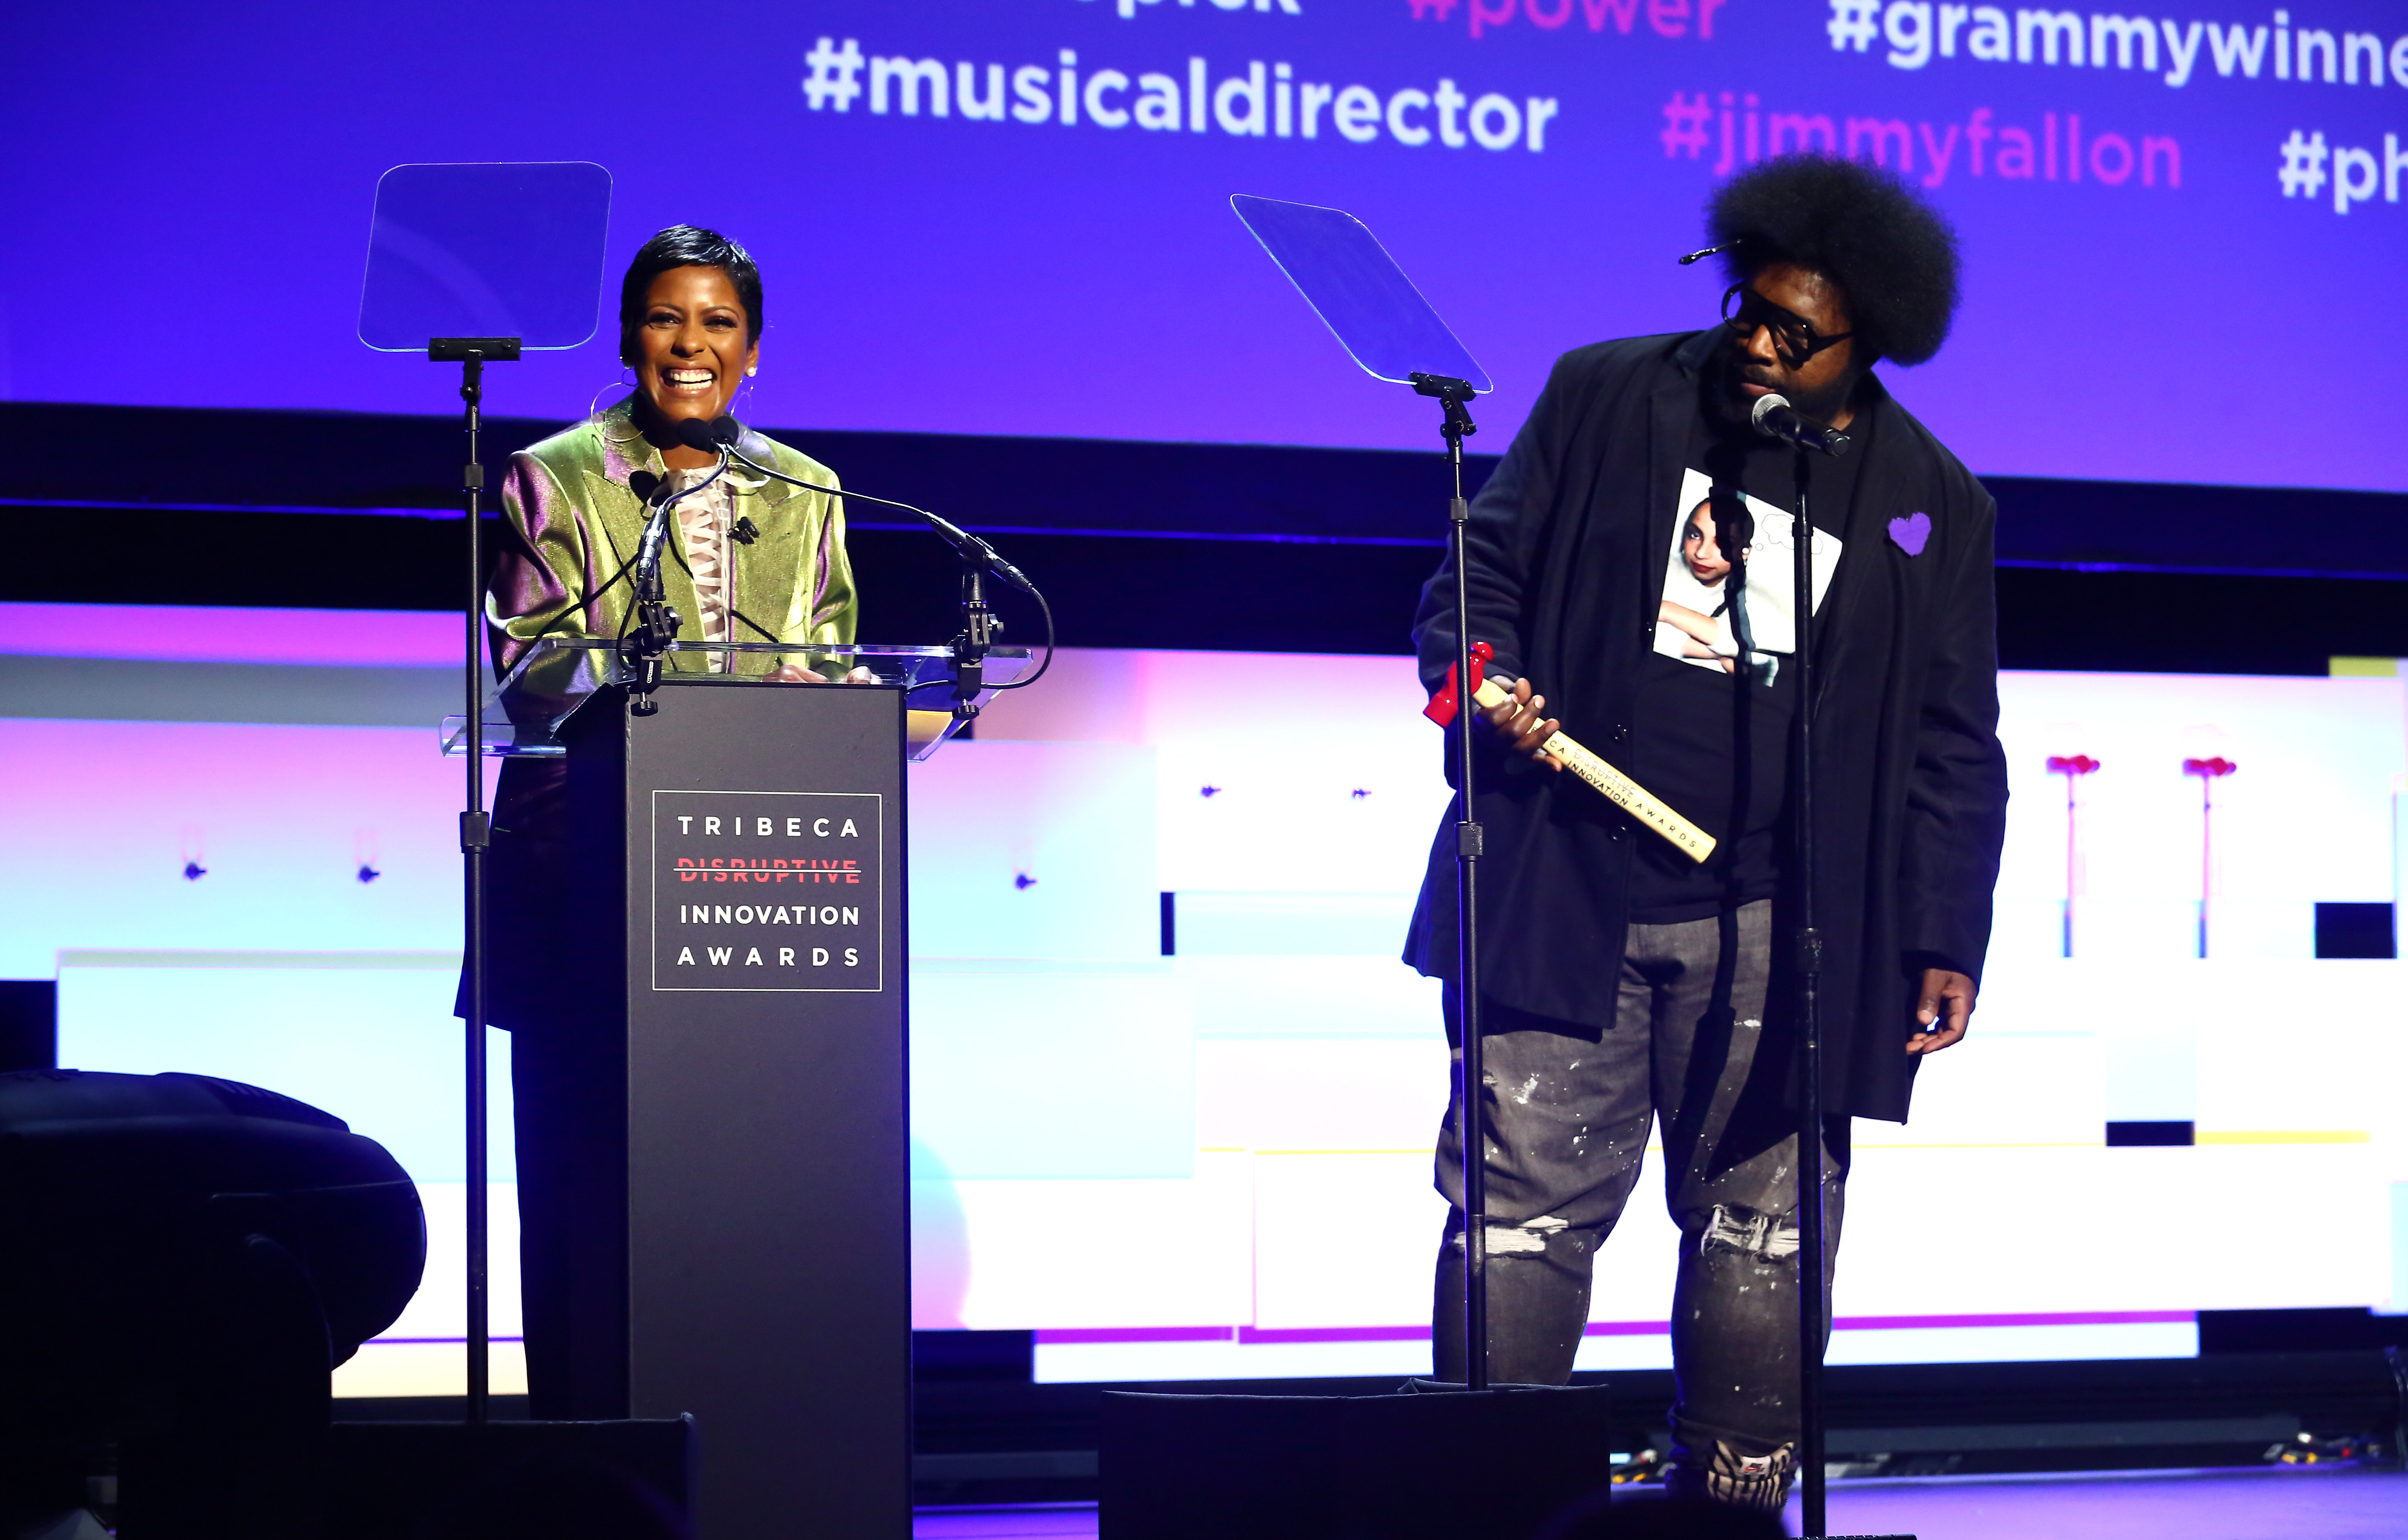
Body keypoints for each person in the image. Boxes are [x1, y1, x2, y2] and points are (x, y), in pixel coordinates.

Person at [1402, 156, 2008, 1515]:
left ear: (1870, 347)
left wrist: (1942, 930)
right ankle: (1483, 1505)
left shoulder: (1933, 504)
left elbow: (1953, 742)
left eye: (1796, 334)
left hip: (1783, 922)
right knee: (1520, 1217)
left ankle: (1727, 1512)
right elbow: (1477, 564)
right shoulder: (1611, 392)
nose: (1757, 343)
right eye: (1750, 307)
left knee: (1764, 1236)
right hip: (1570, 879)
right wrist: (1475, 663)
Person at [462, 224, 859, 1419]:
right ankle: (586, 1462)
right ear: (634, 334)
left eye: (719, 324)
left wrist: (818, 700)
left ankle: (750, 1445)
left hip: (756, 890)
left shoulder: (807, 492)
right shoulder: (556, 474)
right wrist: (680, 679)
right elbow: (532, 671)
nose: (693, 345)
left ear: (752, 350)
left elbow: (833, 672)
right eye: (668, 319)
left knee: (742, 1200)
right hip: (580, 878)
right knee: (585, 1194)